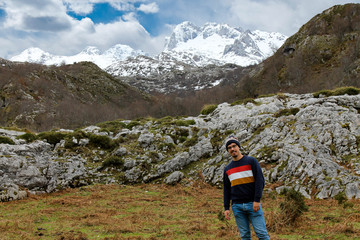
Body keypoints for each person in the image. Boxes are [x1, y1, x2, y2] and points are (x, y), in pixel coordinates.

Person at [223, 135, 270, 240]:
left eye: (234, 146)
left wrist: (257, 200)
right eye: (229, 147)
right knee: (244, 236)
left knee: (262, 234)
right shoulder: (227, 169)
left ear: (239, 147)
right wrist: (226, 208)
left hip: (253, 204)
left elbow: (260, 181)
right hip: (237, 207)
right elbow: (226, 189)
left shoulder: (251, 161)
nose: (232, 149)